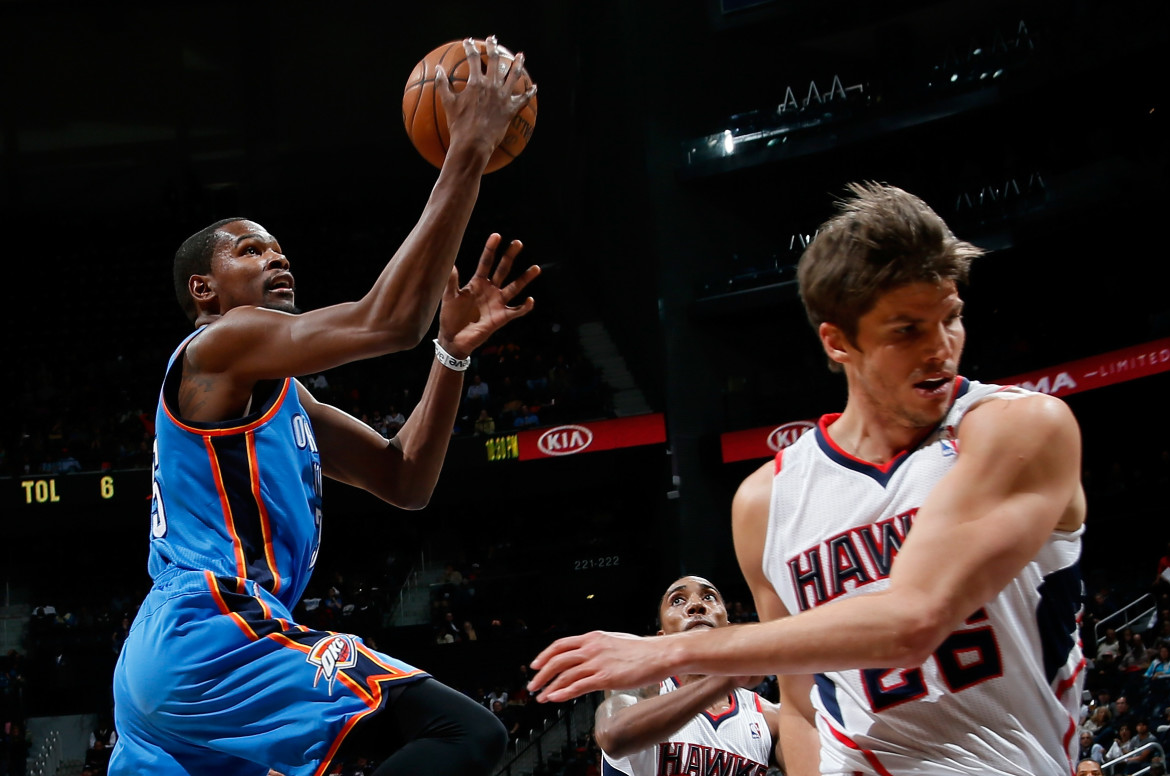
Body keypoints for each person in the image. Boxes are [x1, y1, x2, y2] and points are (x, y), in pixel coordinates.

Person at [528, 183, 1088, 775]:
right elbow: (799, 707)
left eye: (950, 318)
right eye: (906, 331)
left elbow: (912, 620)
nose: (941, 349)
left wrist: (670, 651)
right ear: (838, 341)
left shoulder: (1019, 428)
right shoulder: (767, 502)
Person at [109, 35, 539, 776]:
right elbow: (387, 322)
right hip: (211, 631)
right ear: (203, 292)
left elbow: (405, 480)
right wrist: (466, 148)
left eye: (277, 248)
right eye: (247, 251)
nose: (275, 257)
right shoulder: (220, 346)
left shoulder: (281, 395)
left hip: (165, 670)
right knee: (465, 734)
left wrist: (452, 354)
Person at [593, 576, 780, 776]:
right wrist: (726, 680)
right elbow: (612, 734)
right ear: (662, 638)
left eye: (709, 597)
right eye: (677, 600)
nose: (696, 605)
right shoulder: (639, 687)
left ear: (728, 626)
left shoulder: (769, 716)